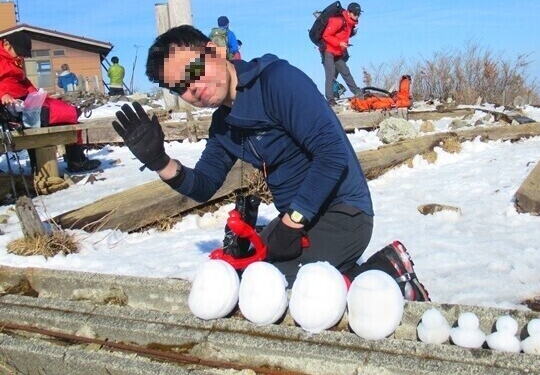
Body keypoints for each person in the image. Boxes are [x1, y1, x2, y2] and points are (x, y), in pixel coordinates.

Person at [112, 24, 429, 301]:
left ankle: (390, 273)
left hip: (344, 212)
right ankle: (343, 269)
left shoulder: (277, 82)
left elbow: (332, 155)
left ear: (213, 51)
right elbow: (204, 185)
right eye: (179, 87)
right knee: (243, 277)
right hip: (298, 221)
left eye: (192, 72)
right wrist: (160, 161)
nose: (191, 88)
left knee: (274, 292)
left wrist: (292, 222)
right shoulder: (224, 125)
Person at [0, 32, 101, 172]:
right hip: (9, 107)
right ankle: (69, 161)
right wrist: (2, 94)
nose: (21, 56)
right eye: (19, 53)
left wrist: (35, 94)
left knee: (69, 110)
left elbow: (25, 82)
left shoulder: (15, 61)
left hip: (24, 100)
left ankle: (76, 159)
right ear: (6, 45)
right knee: (61, 114)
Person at [321, 2, 363, 106]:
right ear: (349, 12)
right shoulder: (338, 21)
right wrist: (339, 43)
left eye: (359, 14)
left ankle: (357, 92)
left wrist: (343, 46)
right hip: (328, 50)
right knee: (330, 74)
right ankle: (330, 100)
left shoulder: (350, 24)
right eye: (355, 13)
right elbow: (326, 35)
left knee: (345, 71)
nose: (357, 16)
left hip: (338, 51)